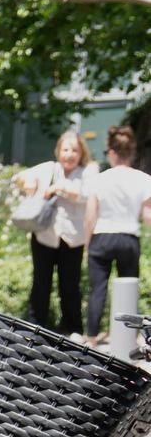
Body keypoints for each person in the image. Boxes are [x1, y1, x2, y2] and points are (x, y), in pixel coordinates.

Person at [12, 131, 97, 335]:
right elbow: (18, 177)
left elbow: (86, 195)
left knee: (70, 285)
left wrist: (61, 188)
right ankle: (36, 325)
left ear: (81, 153)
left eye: (74, 150)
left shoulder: (87, 172)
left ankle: (72, 327)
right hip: (44, 235)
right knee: (41, 282)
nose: (69, 154)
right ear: (58, 151)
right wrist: (28, 180)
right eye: (65, 149)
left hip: (72, 238)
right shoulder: (48, 168)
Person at [84, 125, 151, 345]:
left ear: (111, 152)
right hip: (129, 238)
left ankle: (92, 337)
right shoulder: (143, 179)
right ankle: (128, 336)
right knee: (129, 288)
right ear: (131, 152)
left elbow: (90, 216)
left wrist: (87, 244)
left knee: (98, 290)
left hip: (102, 236)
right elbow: (147, 214)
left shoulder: (100, 179)